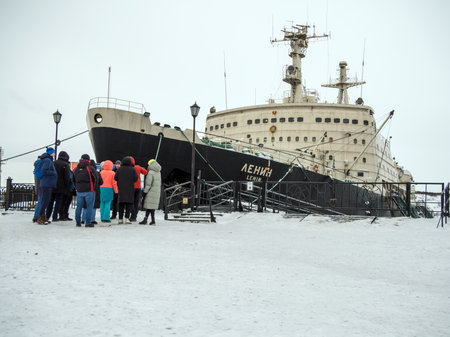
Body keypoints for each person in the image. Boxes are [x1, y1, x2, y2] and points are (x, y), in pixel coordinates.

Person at [45, 151, 71, 222]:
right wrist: (67, 187)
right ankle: (55, 217)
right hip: (61, 187)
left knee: (50, 202)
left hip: (52, 186)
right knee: (58, 202)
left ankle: (47, 216)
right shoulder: (65, 164)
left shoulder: (53, 163)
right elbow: (66, 177)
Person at [73, 154, 97, 227]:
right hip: (89, 190)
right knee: (89, 207)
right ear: (88, 160)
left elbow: (73, 179)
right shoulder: (90, 168)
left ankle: (78, 222)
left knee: (79, 207)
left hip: (79, 190)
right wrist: (94, 188)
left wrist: (77, 187)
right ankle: (88, 222)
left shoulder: (76, 168)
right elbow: (95, 178)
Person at [36, 147, 57, 225]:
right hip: (46, 183)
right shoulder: (47, 160)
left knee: (45, 200)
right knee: (45, 201)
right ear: (51, 153)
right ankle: (41, 217)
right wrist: (53, 173)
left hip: (47, 183)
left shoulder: (47, 160)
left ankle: (43, 217)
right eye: (54, 152)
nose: (54, 154)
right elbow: (44, 171)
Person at [114, 156, 137, 224]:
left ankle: (120, 219)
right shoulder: (132, 169)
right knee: (128, 204)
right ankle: (127, 218)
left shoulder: (119, 169)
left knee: (121, 204)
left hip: (121, 189)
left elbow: (115, 178)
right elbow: (135, 179)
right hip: (130, 189)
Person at [139, 159, 162, 225]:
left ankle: (147, 220)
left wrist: (144, 192)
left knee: (149, 206)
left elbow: (148, 184)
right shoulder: (158, 172)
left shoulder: (151, 172)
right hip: (157, 192)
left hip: (151, 191)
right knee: (151, 207)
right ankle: (151, 220)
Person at [82, 159, 102, 224]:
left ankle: (83, 219)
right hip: (95, 190)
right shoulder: (97, 173)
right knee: (93, 205)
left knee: (85, 205)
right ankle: (92, 219)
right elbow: (101, 182)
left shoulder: (85, 171)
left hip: (86, 189)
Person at [129, 157, 148, 222]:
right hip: (138, 187)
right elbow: (145, 172)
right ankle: (134, 216)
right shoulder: (138, 167)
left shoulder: (129, 168)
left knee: (130, 202)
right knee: (136, 202)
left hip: (131, 187)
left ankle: (132, 215)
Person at [32, 156, 42, 223]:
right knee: (40, 202)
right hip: (41, 187)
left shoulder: (36, 168)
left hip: (38, 187)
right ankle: (36, 217)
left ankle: (37, 216)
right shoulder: (39, 168)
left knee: (40, 202)